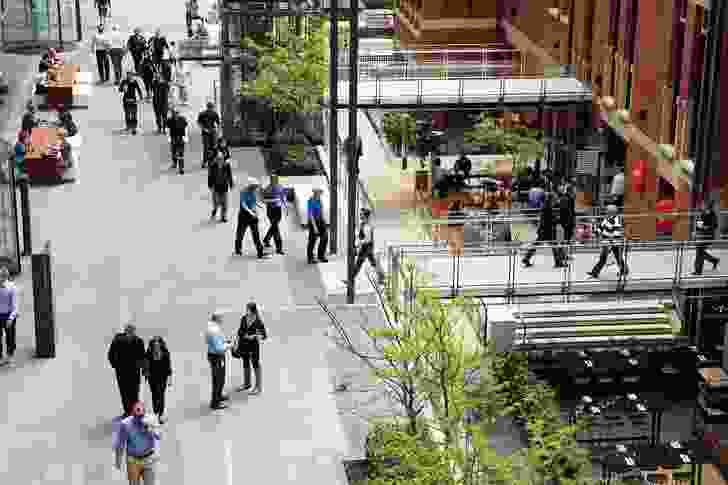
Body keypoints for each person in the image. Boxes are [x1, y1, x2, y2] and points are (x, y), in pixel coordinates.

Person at [112, 400, 162, 485]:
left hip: (149, 459)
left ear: (145, 413)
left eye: (141, 415)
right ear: (132, 414)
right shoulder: (125, 424)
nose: (139, 418)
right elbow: (120, 444)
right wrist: (118, 461)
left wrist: (150, 428)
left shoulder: (151, 419)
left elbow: (159, 435)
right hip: (133, 461)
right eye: (136, 416)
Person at [108, 324, 146, 416]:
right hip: (122, 371)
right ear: (125, 331)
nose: (130, 332)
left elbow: (143, 356)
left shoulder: (139, 341)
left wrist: (143, 368)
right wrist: (116, 365)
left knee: (134, 392)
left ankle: (135, 411)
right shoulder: (117, 340)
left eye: (132, 331)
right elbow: (111, 354)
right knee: (124, 392)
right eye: (128, 331)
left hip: (134, 371)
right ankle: (127, 411)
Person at [522, 193, 564, 268]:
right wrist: (557, 219)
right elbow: (549, 219)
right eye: (554, 198)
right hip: (547, 230)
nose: (556, 200)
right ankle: (558, 262)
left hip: (544, 230)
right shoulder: (547, 207)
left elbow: (546, 219)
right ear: (551, 199)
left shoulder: (546, 205)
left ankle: (526, 258)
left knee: (536, 245)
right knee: (554, 246)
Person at [234, 302, 268, 394]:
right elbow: (240, 331)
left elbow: (264, 335)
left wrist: (255, 336)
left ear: (252, 310)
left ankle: (258, 387)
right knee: (245, 362)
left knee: (255, 364)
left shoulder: (258, 321)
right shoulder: (244, 318)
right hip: (244, 345)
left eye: (248, 309)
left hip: (254, 346)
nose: (246, 310)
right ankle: (247, 383)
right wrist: (243, 337)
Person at [587, 204, 628, 278]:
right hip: (608, 242)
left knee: (617, 258)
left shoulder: (616, 220)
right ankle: (595, 272)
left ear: (612, 212)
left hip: (615, 243)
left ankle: (624, 271)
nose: (606, 212)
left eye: (607, 211)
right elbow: (601, 227)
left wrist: (610, 244)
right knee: (604, 258)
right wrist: (595, 232)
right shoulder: (607, 218)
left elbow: (616, 233)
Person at [204, 312, 232, 410]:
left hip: (213, 355)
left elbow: (208, 341)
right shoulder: (214, 330)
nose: (223, 319)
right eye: (221, 318)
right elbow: (219, 348)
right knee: (218, 380)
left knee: (220, 378)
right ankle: (215, 403)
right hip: (217, 357)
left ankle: (219, 396)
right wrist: (229, 345)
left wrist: (224, 341)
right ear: (218, 319)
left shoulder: (210, 327)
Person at [351, 208, 385, 283]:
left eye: (361, 215)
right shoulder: (364, 224)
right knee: (373, 262)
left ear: (366, 216)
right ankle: (382, 276)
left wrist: (359, 243)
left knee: (358, 263)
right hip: (368, 247)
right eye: (360, 214)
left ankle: (350, 279)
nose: (360, 216)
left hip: (366, 247)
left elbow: (367, 239)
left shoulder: (367, 227)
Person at [234, 178, 266, 258]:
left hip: (253, 217)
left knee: (256, 235)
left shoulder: (253, 192)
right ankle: (238, 249)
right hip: (243, 216)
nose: (256, 188)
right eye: (254, 186)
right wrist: (250, 212)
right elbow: (243, 204)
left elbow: (254, 202)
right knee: (240, 233)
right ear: (250, 186)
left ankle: (260, 252)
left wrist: (260, 206)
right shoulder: (243, 192)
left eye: (256, 186)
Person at [143, 337, 172, 424]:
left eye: (158, 345)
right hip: (153, 378)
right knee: (155, 396)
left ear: (161, 345)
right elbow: (145, 365)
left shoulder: (165, 354)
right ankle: (156, 412)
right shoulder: (148, 354)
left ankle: (160, 414)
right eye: (154, 345)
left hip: (162, 378)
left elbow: (168, 366)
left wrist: (170, 378)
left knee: (161, 395)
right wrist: (145, 374)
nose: (156, 347)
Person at [693, 200, 720, 275]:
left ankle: (698, 271)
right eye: (702, 205)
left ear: (708, 206)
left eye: (703, 205)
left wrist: (706, 227)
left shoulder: (712, 214)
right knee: (700, 251)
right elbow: (698, 224)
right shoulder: (702, 213)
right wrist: (696, 232)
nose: (702, 206)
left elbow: (715, 225)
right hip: (701, 235)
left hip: (708, 236)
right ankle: (714, 260)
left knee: (699, 251)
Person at [261, 175, 286, 254]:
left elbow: (283, 197)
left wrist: (285, 206)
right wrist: (274, 200)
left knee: (274, 226)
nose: (275, 181)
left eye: (276, 179)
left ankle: (266, 239)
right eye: (273, 180)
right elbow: (263, 200)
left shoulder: (280, 187)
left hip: (278, 210)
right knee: (275, 228)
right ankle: (279, 248)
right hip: (271, 210)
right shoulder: (267, 189)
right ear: (271, 180)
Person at [207, 153, 234, 222]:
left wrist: (231, 184)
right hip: (216, 187)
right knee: (216, 203)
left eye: (221, 159)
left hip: (224, 186)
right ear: (216, 159)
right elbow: (210, 176)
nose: (220, 160)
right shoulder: (213, 166)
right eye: (218, 159)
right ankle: (215, 210)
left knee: (225, 203)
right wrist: (210, 185)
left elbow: (229, 175)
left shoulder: (227, 165)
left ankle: (223, 216)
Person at [0, 266, 18, 367]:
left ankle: (10, 355)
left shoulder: (12, 288)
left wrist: (11, 318)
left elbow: (15, 306)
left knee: (10, 337)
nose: (0, 278)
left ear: (6, 277)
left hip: (8, 315)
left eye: (2, 276)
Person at [307, 187, 329, 264]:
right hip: (313, 222)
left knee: (325, 237)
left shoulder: (319, 200)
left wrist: (324, 220)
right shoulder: (311, 201)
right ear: (315, 193)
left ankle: (321, 255)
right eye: (319, 193)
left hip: (320, 221)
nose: (320, 195)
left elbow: (321, 211)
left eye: (320, 193)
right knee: (312, 240)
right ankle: (310, 258)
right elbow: (310, 215)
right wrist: (315, 227)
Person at [197, 102, 220, 168]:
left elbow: (218, 123)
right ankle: (205, 162)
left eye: (211, 107)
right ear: (208, 107)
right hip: (206, 132)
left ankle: (211, 161)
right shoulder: (203, 114)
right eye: (210, 107)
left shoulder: (214, 114)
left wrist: (217, 131)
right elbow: (199, 122)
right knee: (207, 148)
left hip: (212, 131)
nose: (211, 109)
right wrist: (203, 129)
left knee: (213, 147)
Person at [166, 107, 188, 174]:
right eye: (174, 113)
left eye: (177, 113)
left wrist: (186, 137)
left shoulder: (183, 119)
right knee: (174, 152)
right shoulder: (169, 120)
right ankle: (174, 163)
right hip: (173, 138)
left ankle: (181, 168)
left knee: (181, 154)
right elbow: (168, 129)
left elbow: (186, 128)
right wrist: (169, 137)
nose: (176, 114)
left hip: (181, 138)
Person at [151, 61, 171, 134]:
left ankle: (165, 128)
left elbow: (168, 89)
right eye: (157, 76)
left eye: (159, 76)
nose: (158, 77)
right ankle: (159, 127)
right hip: (156, 102)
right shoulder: (154, 83)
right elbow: (152, 87)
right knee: (158, 116)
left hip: (164, 102)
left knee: (164, 116)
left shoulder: (165, 84)